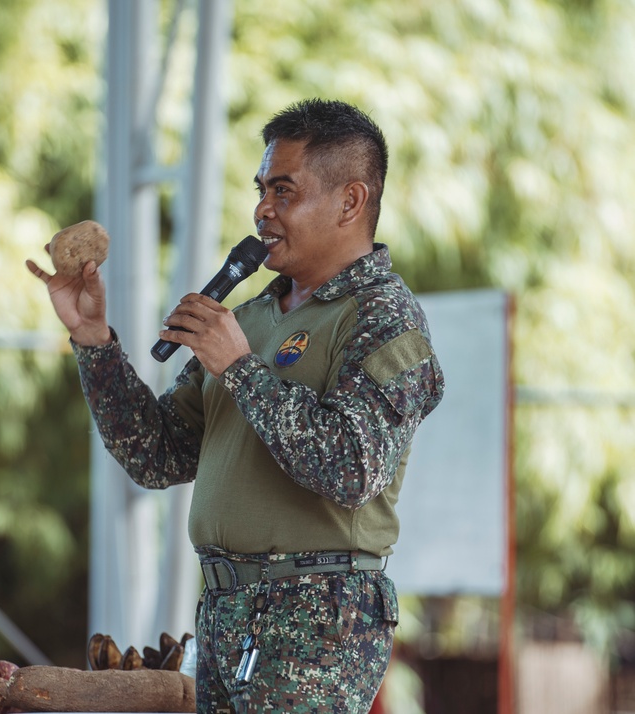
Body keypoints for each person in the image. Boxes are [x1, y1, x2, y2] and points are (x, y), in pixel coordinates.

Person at [27, 98, 444, 714]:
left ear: (350, 202)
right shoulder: (250, 316)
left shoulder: (382, 318)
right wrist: (94, 341)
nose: (262, 210)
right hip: (225, 608)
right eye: (261, 189)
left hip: (317, 613)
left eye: (284, 190)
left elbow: (354, 468)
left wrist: (241, 369)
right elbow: (157, 456)